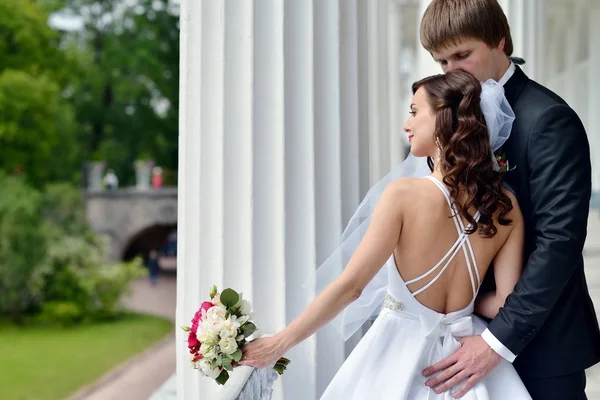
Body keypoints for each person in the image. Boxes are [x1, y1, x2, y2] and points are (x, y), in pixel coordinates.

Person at [240, 70, 531, 399]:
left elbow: (351, 287)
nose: (407, 124)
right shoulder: (506, 207)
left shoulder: (402, 196)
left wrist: (279, 343)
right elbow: (506, 304)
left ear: (443, 120)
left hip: (398, 353)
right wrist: (462, 304)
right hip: (466, 362)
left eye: (414, 111)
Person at [416, 1, 600, 399]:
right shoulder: (448, 119)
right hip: (461, 339)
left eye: (463, 55)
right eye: (441, 61)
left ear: (500, 41)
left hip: (539, 348)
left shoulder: (548, 119)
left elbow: (559, 244)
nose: (452, 71)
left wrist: (497, 342)